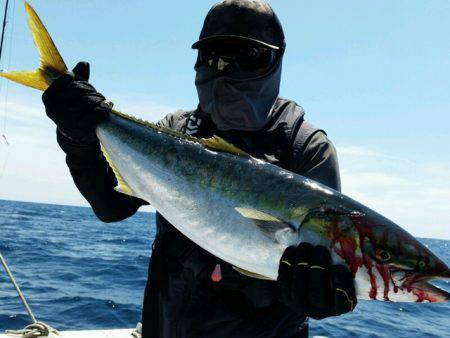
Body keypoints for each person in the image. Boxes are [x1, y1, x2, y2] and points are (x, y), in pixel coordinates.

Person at [42, 1, 357, 337]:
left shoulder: (306, 149)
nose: (225, 69)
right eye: (213, 57)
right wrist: (79, 140)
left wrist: (322, 294)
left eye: (247, 55)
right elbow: (111, 206)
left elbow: (333, 256)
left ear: (276, 60)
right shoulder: (176, 130)